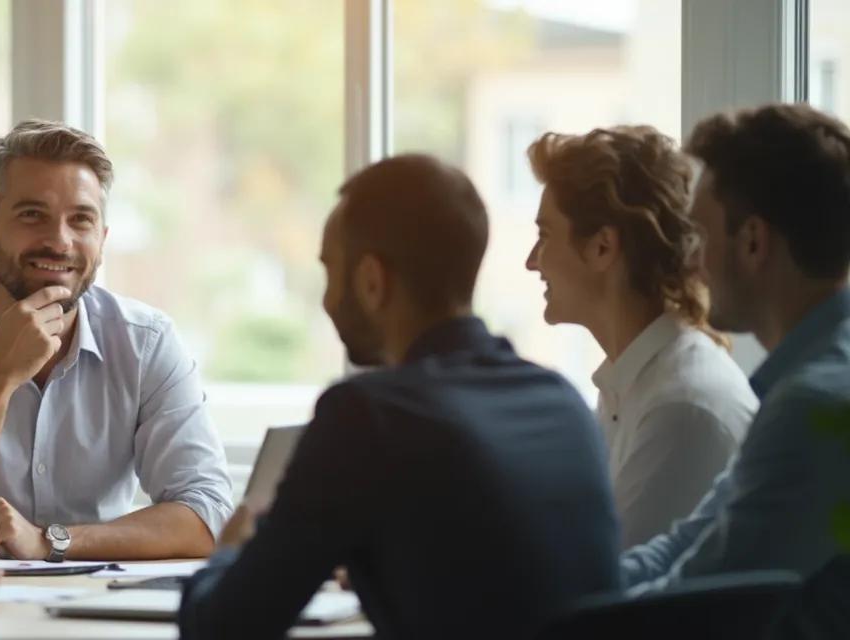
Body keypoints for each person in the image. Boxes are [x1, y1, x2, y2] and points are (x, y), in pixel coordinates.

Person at [177, 155, 621, 640]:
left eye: (330, 270)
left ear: (372, 280)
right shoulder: (562, 402)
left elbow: (223, 627)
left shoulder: (367, 416)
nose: (326, 299)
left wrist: (230, 552)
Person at [0, 120, 234, 561]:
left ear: (102, 241)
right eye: (32, 215)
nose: (59, 241)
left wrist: (50, 540)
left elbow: (208, 515)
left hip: (96, 601)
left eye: (81, 220)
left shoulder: (146, 344)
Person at [622, 103, 850, 593]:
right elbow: (692, 540)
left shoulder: (809, 408)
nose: (690, 262)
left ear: (752, 242)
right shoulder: (808, 383)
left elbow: (699, 601)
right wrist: (571, 590)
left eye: (700, 235)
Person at [523, 126, 757, 547]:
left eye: (544, 236)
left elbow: (610, 579)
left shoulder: (680, 407)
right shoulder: (631, 385)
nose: (531, 261)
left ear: (602, 247)